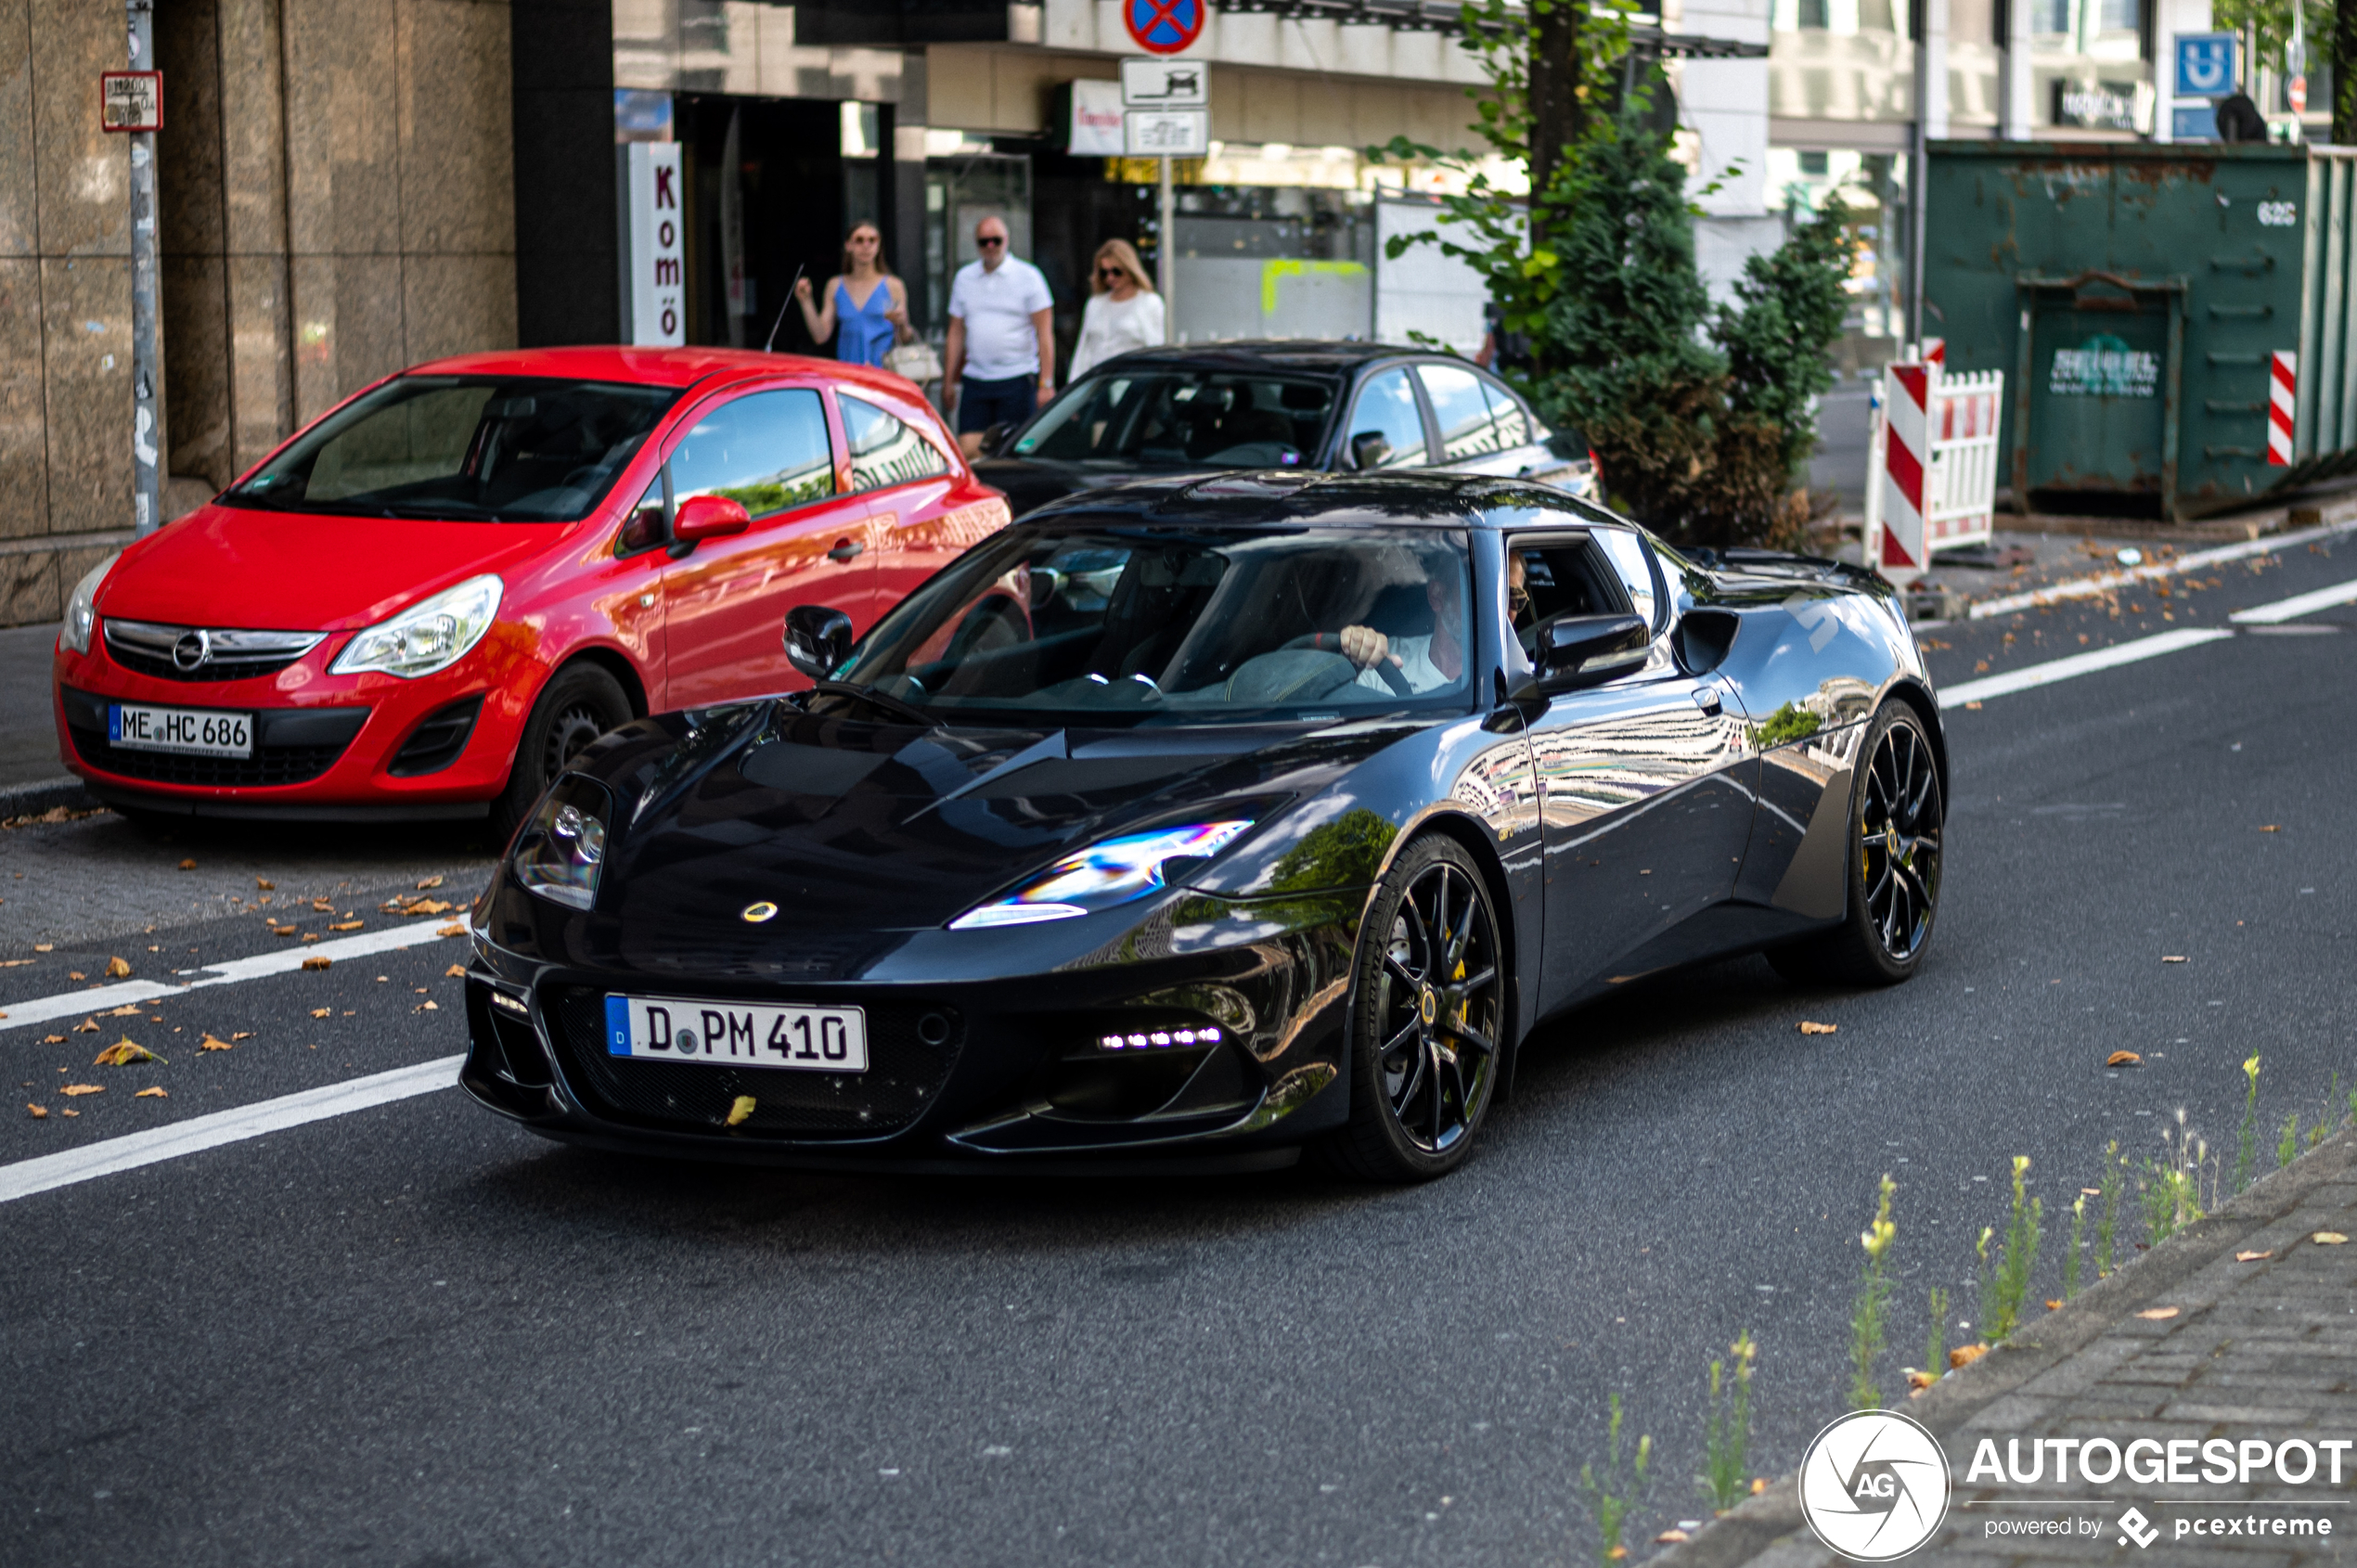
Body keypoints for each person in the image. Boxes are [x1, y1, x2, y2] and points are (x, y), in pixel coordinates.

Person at [1330, 553, 1533, 693]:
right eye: (1481, 593)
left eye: (1513, 597)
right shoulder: (1384, 660)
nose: (1500, 611)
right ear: (1437, 596)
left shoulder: (1519, 680)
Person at [942, 216, 1054, 443]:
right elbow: (955, 332)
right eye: (984, 242)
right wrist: (947, 381)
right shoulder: (964, 278)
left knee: (1013, 451)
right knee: (970, 448)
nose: (991, 247)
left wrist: (1046, 382)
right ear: (976, 244)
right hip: (976, 378)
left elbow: (1044, 333)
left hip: (1017, 377)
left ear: (1007, 240)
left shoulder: (1029, 276)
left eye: (996, 240)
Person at [792, 224, 911, 368]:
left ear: (879, 246)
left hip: (884, 374)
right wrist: (806, 301)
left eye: (872, 240)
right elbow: (820, 336)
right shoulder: (835, 285)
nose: (866, 246)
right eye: (859, 240)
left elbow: (905, 337)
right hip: (849, 375)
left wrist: (902, 322)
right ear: (848, 246)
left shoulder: (893, 285)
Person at [1069, 239, 1165, 379]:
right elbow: (1084, 350)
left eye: (1116, 271)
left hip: (1135, 381)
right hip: (1100, 382)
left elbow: (1156, 348)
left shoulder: (1149, 302)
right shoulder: (1095, 303)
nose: (1110, 277)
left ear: (1130, 269)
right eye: (1104, 272)